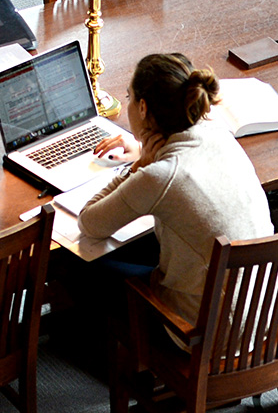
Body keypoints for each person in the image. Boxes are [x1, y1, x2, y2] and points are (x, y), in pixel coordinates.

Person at [77, 53, 272, 333]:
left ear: (143, 108)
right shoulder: (219, 134)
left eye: (129, 97)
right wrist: (145, 152)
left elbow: (89, 223)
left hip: (206, 337)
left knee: (81, 264)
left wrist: (137, 167)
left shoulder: (159, 175)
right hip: (262, 318)